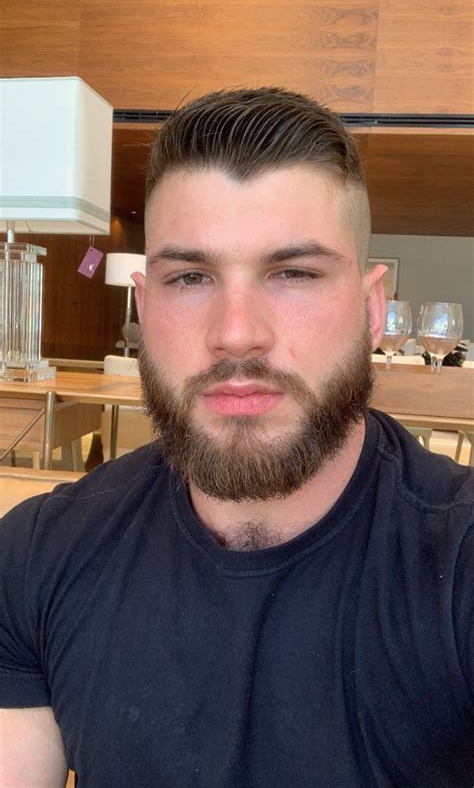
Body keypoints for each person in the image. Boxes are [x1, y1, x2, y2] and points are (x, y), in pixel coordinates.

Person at [1, 87, 473, 787]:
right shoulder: (37, 554)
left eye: (294, 273)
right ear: (144, 308)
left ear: (373, 312)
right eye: (191, 277)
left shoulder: (458, 566)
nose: (236, 333)